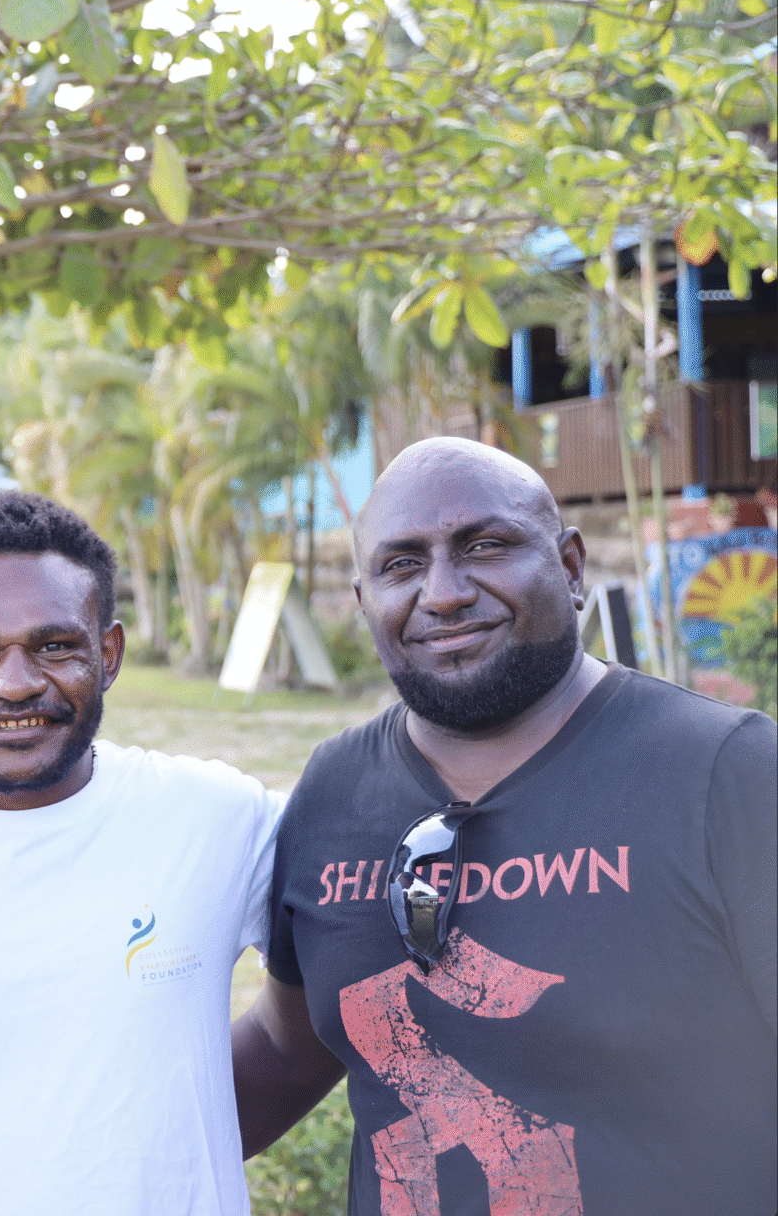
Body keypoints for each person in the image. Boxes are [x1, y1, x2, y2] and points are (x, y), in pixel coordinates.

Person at [233, 436, 777, 1215]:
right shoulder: (336, 789)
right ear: (364, 605)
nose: (445, 592)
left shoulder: (725, 771)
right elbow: (288, 1051)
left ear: (571, 566)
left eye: (484, 546)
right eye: (402, 565)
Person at [0, 492, 285, 1216]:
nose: (14, 684)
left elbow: (322, 1012)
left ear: (108, 654)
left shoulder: (220, 818)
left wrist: (185, 1150)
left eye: (54, 646)